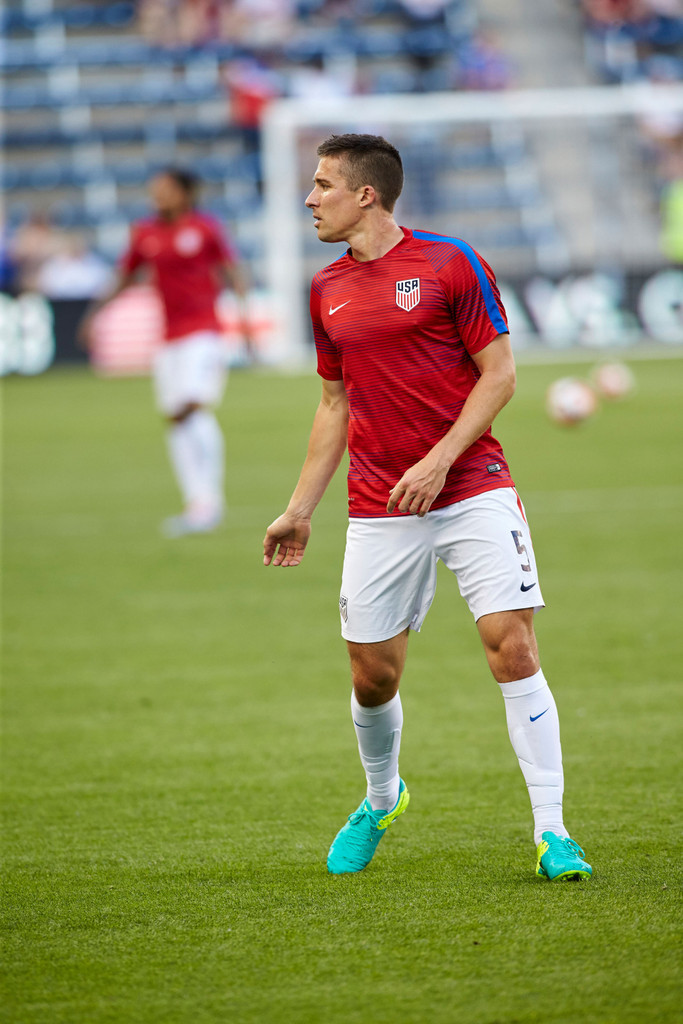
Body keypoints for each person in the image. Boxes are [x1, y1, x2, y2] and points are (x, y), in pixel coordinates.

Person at [263, 133, 592, 882]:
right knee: (372, 676)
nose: (309, 199)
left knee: (511, 645)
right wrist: (299, 509)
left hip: (472, 485)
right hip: (379, 504)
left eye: (321, 185)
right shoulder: (324, 290)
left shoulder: (450, 262)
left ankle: (553, 833)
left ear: (366, 194)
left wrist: (439, 458)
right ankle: (382, 798)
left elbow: (499, 375)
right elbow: (333, 404)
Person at [81, 168, 251, 536]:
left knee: (192, 405)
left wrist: (245, 318)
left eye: (164, 189)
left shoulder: (205, 228)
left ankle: (210, 502)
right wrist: (95, 314)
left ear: (184, 193)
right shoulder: (145, 233)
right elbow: (125, 275)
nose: (156, 195)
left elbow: (232, 269)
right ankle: (197, 503)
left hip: (203, 331)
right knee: (176, 418)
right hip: (169, 338)